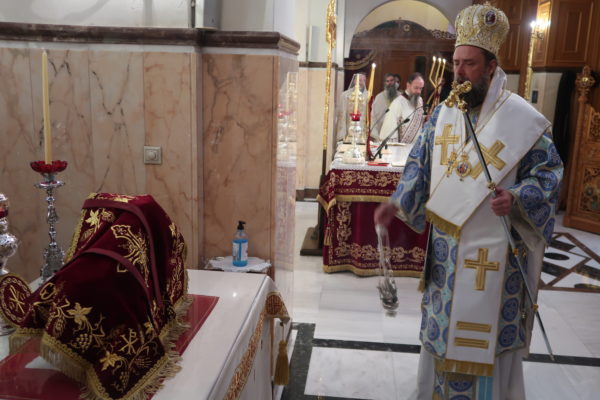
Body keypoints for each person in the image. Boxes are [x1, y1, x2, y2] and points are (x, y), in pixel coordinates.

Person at [374, 4, 563, 399]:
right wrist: (399, 201)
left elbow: (548, 174)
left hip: (498, 260)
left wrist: (517, 197)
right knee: (443, 332)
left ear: (491, 67)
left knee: (488, 335)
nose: (459, 72)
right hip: (446, 257)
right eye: (456, 63)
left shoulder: (522, 120)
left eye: (469, 64)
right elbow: (421, 162)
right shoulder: (443, 114)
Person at [379, 72, 425, 144]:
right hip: (402, 149)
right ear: (408, 85)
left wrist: (425, 118)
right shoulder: (398, 103)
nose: (419, 91)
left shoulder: (420, 100)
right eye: (416, 88)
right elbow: (390, 129)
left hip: (417, 147)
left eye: (421, 88)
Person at [335, 72, 368, 142]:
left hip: (363, 132)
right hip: (349, 131)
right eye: (359, 80)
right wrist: (342, 134)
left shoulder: (368, 96)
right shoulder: (345, 95)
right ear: (354, 81)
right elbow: (342, 115)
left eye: (364, 80)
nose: (361, 83)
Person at [370, 73, 401, 141]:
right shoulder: (379, 97)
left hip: (397, 132)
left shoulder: (400, 97)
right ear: (385, 83)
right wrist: (375, 134)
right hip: (382, 132)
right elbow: (374, 117)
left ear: (395, 81)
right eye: (387, 81)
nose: (390, 83)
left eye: (392, 80)